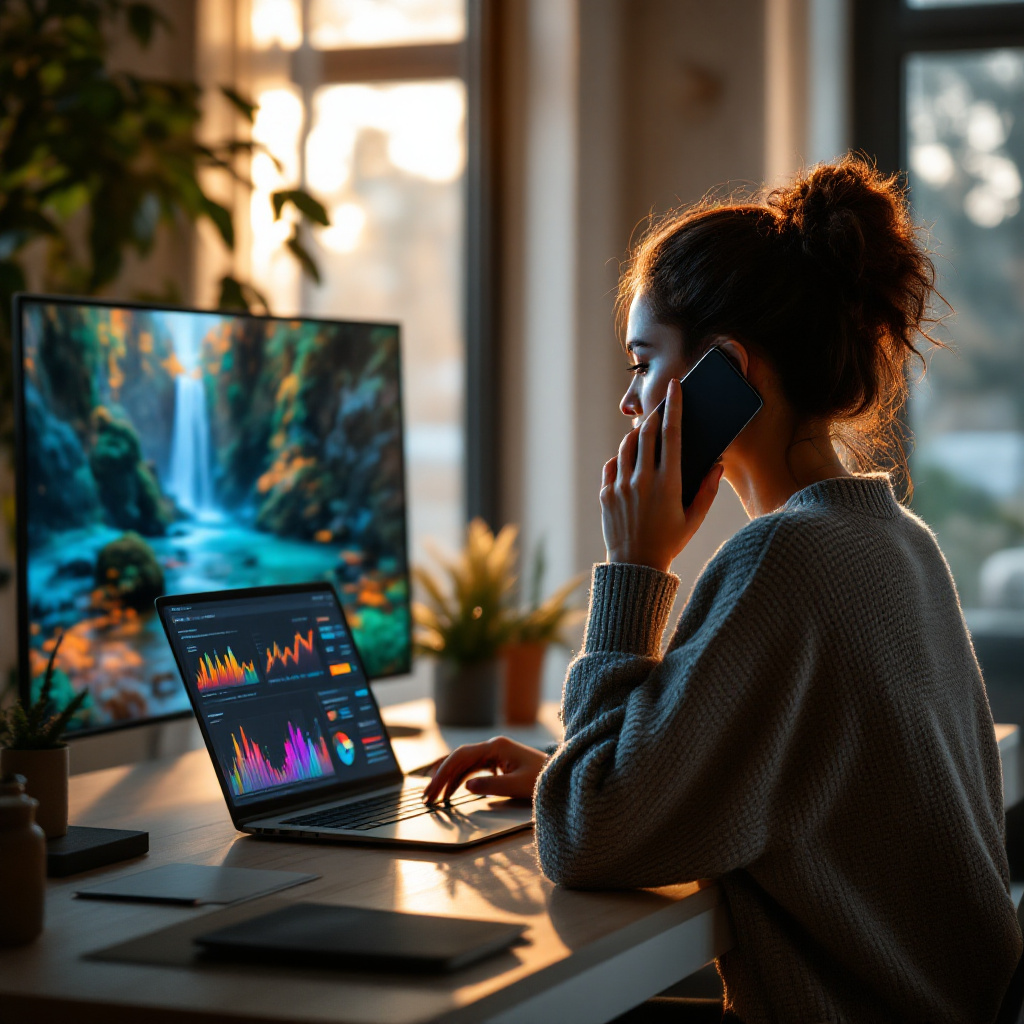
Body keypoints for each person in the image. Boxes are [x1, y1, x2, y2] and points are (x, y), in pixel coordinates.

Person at [422, 155, 1022, 1023]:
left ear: (727, 371)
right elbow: (790, 778)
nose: (630, 402)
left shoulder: (785, 560)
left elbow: (585, 836)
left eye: (642, 363)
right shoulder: (896, 539)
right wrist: (567, 774)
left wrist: (636, 567)